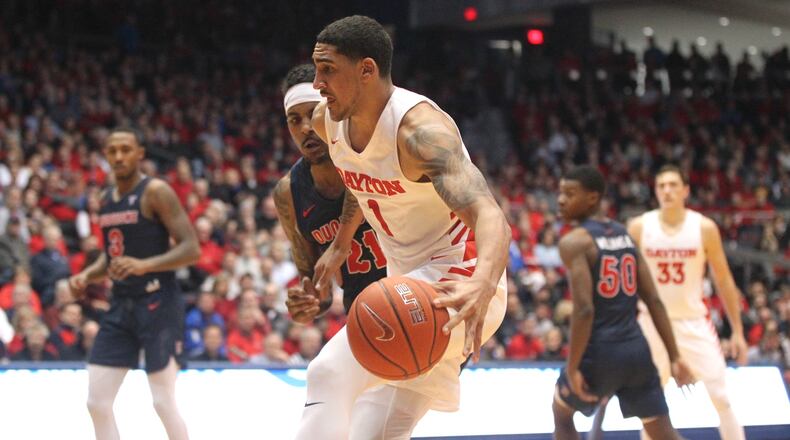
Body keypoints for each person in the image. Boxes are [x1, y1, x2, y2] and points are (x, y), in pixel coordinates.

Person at [295, 15, 509, 439]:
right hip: (407, 277)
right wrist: (340, 243)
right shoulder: (327, 120)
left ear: (367, 70)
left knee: (327, 373)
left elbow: (491, 216)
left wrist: (482, 283)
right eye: (316, 69)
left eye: (328, 70)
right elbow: (360, 171)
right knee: (379, 433)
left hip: (457, 282)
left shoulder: (420, 133)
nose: (316, 83)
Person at [68, 127, 199, 440]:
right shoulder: (105, 198)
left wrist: (145, 265)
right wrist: (87, 275)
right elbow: (111, 257)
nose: (118, 156)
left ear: (140, 153)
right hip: (121, 306)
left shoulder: (155, 191)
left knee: (162, 402)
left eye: (125, 149)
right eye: (112, 150)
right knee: (97, 402)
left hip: (159, 303)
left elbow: (191, 248)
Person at [552, 165, 694, 440]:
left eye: (569, 193)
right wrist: (674, 356)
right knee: (664, 434)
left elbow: (583, 310)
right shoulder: (625, 235)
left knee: (561, 414)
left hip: (599, 353)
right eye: (560, 193)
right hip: (637, 352)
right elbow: (653, 299)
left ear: (592, 198)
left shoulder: (574, 242)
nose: (560, 200)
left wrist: (572, 367)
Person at [628, 164, 748, 440]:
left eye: (673, 185)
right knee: (650, 404)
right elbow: (627, 282)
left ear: (685, 190)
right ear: (655, 192)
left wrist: (738, 332)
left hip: (692, 321)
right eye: (661, 186)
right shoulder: (639, 226)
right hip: (651, 323)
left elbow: (724, 281)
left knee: (721, 397)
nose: (667, 191)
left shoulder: (704, 227)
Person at [273, 63, 387, 323]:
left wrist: (339, 245)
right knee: (321, 367)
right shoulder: (288, 193)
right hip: (362, 313)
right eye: (294, 120)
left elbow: (358, 183)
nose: (305, 128)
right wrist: (308, 302)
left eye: (313, 114)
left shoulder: (371, 151)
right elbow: (315, 283)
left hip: (417, 293)